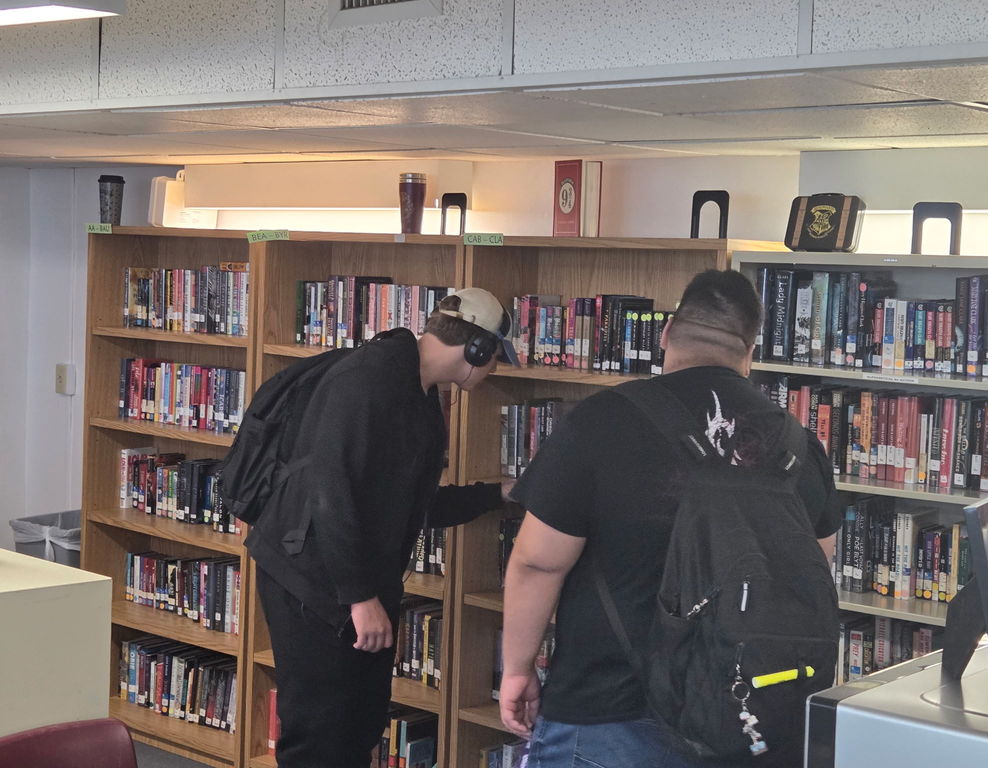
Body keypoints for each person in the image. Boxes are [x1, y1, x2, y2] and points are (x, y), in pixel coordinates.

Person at [499, 269, 841, 767]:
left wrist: (517, 668)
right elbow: (812, 569)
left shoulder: (600, 422)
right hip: (744, 716)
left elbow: (536, 563)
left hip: (607, 711)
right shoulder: (799, 447)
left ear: (665, 336)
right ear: (749, 352)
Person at [246, 287, 518, 768]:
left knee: (361, 724)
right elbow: (329, 490)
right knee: (318, 732)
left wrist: (494, 495)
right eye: (495, 355)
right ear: (476, 347)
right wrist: (360, 597)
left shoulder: (420, 394)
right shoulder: (369, 379)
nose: (496, 366)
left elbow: (410, 504)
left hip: (359, 580)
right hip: (310, 577)